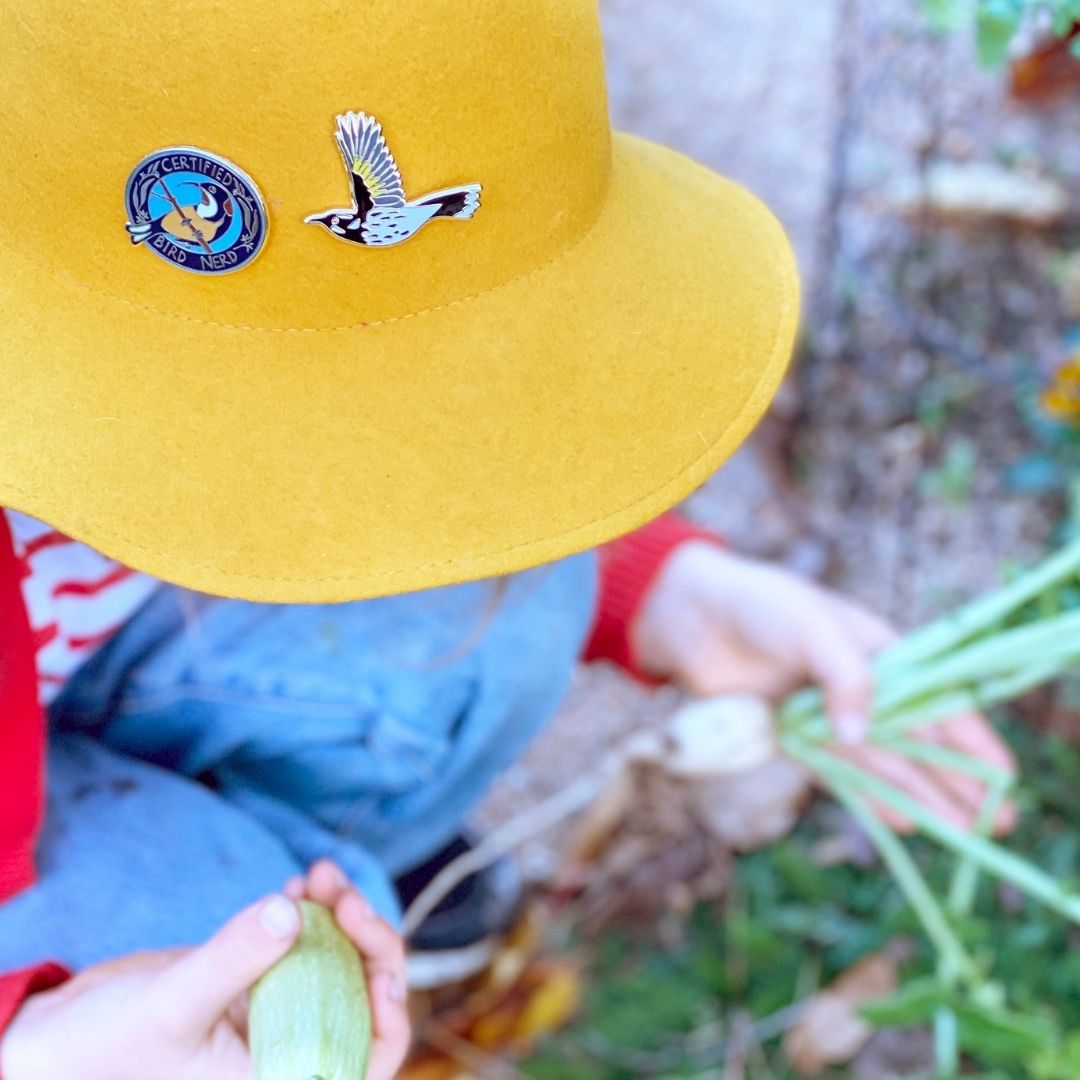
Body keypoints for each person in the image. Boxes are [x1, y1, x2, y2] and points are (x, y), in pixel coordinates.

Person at [0, 0, 1016, 1074]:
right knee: (216, 955)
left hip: (56, 645)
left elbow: (417, 446)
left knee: (516, 606)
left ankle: (270, 842)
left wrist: (663, 591)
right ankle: (193, 877)